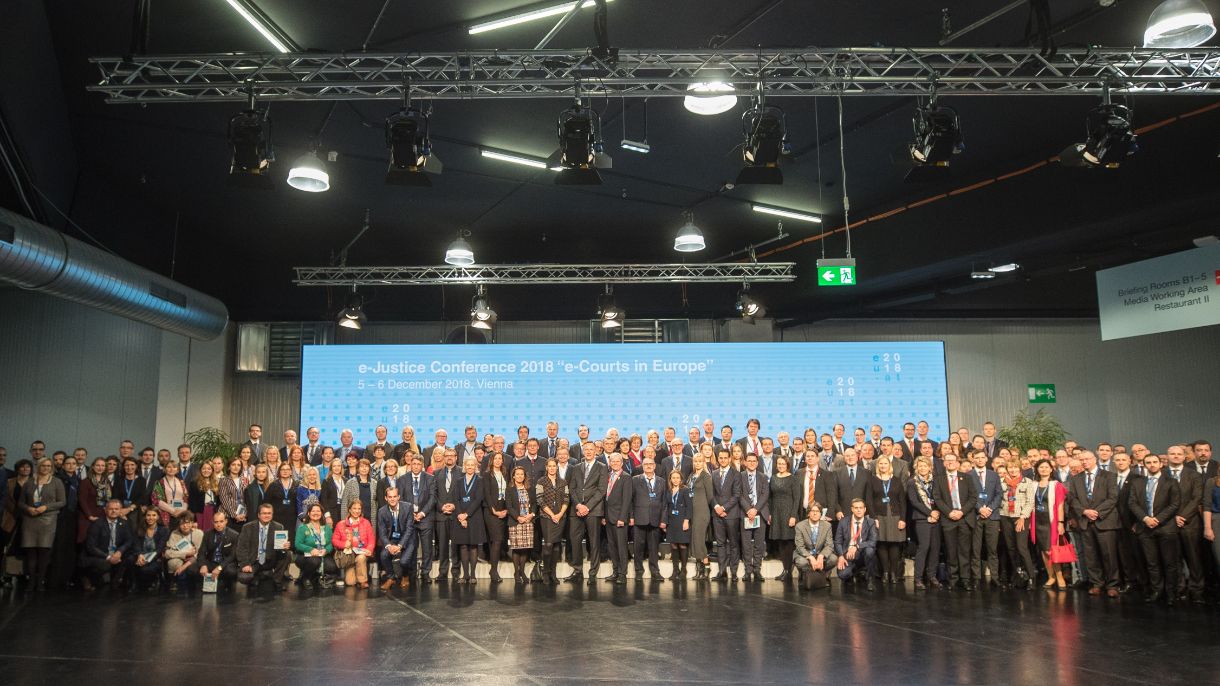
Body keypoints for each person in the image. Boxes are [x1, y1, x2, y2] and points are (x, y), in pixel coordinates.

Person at [1067, 449, 1121, 598]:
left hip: (1105, 521)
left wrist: (1096, 512)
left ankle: (1112, 585)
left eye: (1087, 459)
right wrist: (1084, 512)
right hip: (1085, 521)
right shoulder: (1076, 478)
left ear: (1094, 459)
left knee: (1109, 555)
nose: (1084, 462)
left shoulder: (1109, 476)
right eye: (1082, 460)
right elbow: (1072, 499)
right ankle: (1096, 583)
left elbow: (1113, 498)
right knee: (1091, 556)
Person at [1129, 453, 1181, 605]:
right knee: (1152, 563)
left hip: (1166, 527)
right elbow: (1132, 503)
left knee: (1170, 563)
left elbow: (1175, 504)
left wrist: (1157, 519)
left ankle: (1171, 594)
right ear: (1144, 465)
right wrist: (1145, 519)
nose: (1152, 464)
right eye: (1148, 462)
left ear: (1160, 464)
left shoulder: (1171, 482)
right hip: (1145, 528)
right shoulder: (1137, 483)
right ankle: (1157, 591)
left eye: (1154, 462)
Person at [1164, 445, 1205, 604]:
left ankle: (1197, 590)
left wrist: (1182, 516)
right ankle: (1179, 588)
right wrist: (1173, 517)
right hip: (1169, 523)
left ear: (1184, 457)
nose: (1175, 456)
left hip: (1190, 523)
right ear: (1167, 456)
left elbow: (1197, 498)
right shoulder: (1161, 474)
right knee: (1174, 559)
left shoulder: (1193, 475)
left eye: (1178, 454)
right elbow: (1160, 500)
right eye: (1172, 454)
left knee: (1194, 559)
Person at [933, 453, 978, 591]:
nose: (950, 463)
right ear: (944, 463)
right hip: (948, 519)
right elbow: (937, 498)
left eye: (953, 460)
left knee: (965, 551)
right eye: (948, 461)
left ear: (958, 463)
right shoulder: (938, 479)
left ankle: (965, 579)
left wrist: (961, 512)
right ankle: (953, 579)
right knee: (951, 551)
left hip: (964, 518)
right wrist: (949, 512)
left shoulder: (967, 477)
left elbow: (973, 497)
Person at [21, 457, 66, 590]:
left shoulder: (57, 482)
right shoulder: (29, 482)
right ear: (38, 467)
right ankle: (31, 581)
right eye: (43, 466)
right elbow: (20, 502)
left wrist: (46, 507)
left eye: (48, 466)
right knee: (31, 551)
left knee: (43, 551)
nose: (45, 468)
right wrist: (28, 508)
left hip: (48, 520)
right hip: (30, 519)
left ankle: (40, 581)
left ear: (51, 467)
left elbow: (62, 502)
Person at [566, 441, 607, 584]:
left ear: (596, 451)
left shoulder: (602, 467)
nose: (588, 452)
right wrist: (578, 505)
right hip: (576, 510)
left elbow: (601, 490)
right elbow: (572, 488)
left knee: (594, 542)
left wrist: (587, 507)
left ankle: (593, 573)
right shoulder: (576, 467)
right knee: (575, 541)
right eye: (586, 449)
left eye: (591, 449)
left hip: (593, 510)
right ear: (583, 451)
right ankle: (577, 571)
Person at [1030, 458, 1073, 591]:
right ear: (1037, 469)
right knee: (1044, 550)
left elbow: (1060, 506)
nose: (1043, 469)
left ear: (1051, 469)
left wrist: (1060, 523)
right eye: (1041, 467)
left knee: (1051, 550)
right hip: (1037, 521)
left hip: (1051, 522)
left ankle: (1059, 576)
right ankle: (1051, 576)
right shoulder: (1033, 484)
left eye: (1046, 467)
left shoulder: (1056, 485)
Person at [998, 457, 1036, 590]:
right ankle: (1018, 575)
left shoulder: (1027, 482)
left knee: (1022, 547)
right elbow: (999, 500)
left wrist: (1022, 517)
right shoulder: (1002, 482)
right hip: (1005, 517)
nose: (1013, 470)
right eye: (1010, 468)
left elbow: (1030, 502)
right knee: (1011, 548)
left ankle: (1031, 577)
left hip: (1021, 518)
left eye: (1015, 467)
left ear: (1019, 468)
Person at [868, 456, 907, 584]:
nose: (883, 466)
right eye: (881, 464)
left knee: (894, 544)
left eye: (885, 463)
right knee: (882, 543)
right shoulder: (872, 480)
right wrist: (873, 517)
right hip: (879, 516)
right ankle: (885, 572)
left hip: (895, 516)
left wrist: (902, 518)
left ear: (889, 465)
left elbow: (902, 501)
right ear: (877, 466)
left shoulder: (896, 480)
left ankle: (893, 573)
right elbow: (869, 501)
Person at [80, 499, 134, 592]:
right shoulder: (97, 524)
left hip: (115, 554)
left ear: (120, 510)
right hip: (99, 555)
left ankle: (116, 582)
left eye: (116, 509)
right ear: (105, 510)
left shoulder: (124, 523)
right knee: (105, 565)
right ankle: (87, 577)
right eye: (111, 509)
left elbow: (129, 540)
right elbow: (91, 547)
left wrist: (119, 551)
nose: (113, 511)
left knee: (130, 556)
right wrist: (108, 557)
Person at [968, 450, 1002, 588]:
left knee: (992, 549)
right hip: (975, 516)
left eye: (983, 457)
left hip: (992, 516)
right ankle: (976, 577)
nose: (980, 460)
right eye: (977, 458)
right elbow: (968, 495)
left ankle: (995, 577)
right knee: (975, 549)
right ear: (973, 459)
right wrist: (979, 508)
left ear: (987, 459)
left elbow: (999, 494)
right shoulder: (968, 475)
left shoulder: (994, 475)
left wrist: (989, 509)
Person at [236, 503, 289, 592]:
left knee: (288, 554)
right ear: (259, 515)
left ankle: (277, 581)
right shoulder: (248, 527)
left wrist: (284, 548)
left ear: (272, 515)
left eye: (269, 513)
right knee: (244, 577)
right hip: (254, 561)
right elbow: (241, 548)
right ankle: (256, 576)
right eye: (264, 513)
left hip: (270, 559)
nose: (267, 515)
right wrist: (245, 563)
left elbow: (280, 550)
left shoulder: (279, 527)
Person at [399, 455, 435, 582]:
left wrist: (422, 513)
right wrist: (411, 514)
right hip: (409, 518)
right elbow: (401, 499)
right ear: (410, 464)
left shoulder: (430, 478)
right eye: (413, 463)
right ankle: (412, 573)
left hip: (425, 518)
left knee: (427, 548)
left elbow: (432, 498)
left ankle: (426, 573)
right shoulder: (402, 479)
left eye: (418, 464)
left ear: (422, 465)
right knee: (411, 547)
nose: (415, 466)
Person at [907, 456, 941, 589]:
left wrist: (936, 512)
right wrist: (929, 513)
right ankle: (918, 578)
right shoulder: (912, 482)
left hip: (936, 517)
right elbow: (914, 502)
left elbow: (939, 498)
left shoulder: (936, 481)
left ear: (930, 468)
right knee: (924, 547)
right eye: (920, 466)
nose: (922, 468)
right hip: (922, 518)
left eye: (925, 466)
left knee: (935, 548)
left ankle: (931, 576)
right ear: (916, 467)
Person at [710, 448, 744, 582]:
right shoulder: (713, 474)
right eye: (721, 458)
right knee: (720, 544)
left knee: (734, 544)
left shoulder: (736, 474)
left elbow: (736, 495)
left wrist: (724, 508)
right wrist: (717, 507)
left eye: (725, 458)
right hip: (717, 514)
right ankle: (722, 571)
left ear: (729, 459)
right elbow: (711, 494)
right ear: (718, 459)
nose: (723, 460)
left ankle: (734, 572)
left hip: (731, 514)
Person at [630, 456, 665, 581]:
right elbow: (630, 500)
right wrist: (631, 517)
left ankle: (655, 571)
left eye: (651, 464)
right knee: (638, 547)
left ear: (655, 466)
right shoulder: (635, 480)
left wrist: (663, 520)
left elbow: (664, 502)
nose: (649, 466)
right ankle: (639, 571)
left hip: (655, 519)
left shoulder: (662, 481)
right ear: (642, 466)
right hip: (639, 518)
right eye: (646, 464)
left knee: (654, 548)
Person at [452, 456, 487, 583]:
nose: (470, 467)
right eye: (468, 465)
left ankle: (472, 575)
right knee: (463, 546)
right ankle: (465, 574)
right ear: (464, 467)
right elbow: (456, 499)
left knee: (473, 546)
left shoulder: (480, 480)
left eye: (473, 465)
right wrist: (461, 516)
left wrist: (466, 515)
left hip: (474, 517)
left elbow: (478, 499)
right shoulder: (459, 481)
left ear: (476, 467)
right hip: (460, 517)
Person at [738, 453, 770, 583]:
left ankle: (757, 569)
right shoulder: (739, 476)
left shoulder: (763, 477)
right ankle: (747, 570)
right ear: (745, 462)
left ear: (757, 463)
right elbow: (738, 494)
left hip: (760, 513)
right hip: (745, 514)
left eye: (754, 461)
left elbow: (765, 494)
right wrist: (748, 509)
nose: (751, 463)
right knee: (746, 544)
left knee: (759, 544)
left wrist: (755, 509)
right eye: (749, 461)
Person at [834, 498, 877, 591]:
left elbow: (873, 542)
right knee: (842, 575)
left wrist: (857, 546)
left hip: (862, 552)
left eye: (861, 508)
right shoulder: (843, 522)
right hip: (848, 554)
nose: (858, 510)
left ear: (865, 509)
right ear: (852, 509)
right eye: (856, 508)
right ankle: (855, 572)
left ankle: (870, 579)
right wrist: (841, 556)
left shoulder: (870, 522)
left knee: (870, 550)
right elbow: (837, 541)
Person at [376, 487, 415, 590]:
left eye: (394, 496)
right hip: (392, 539)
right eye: (390, 497)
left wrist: (399, 546)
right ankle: (391, 577)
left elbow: (409, 529)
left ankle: (405, 576)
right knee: (383, 555)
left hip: (407, 539)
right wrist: (389, 546)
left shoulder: (408, 507)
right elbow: (382, 533)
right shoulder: (381, 511)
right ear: (386, 498)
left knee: (404, 561)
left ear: (399, 497)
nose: (392, 499)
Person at [794, 502, 837, 591]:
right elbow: (799, 546)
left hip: (820, 553)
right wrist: (810, 557)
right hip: (805, 554)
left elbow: (829, 545)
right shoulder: (800, 526)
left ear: (821, 513)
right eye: (812, 511)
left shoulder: (827, 525)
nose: (815, 513)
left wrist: (821, 556)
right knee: (801, 562)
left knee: (833, 559)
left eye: (817, 511)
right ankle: (805, 575)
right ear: (808, 513)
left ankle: (822, 575)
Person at [768, 454, 798, 582]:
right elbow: (770, 497)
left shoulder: (793, 479)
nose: (780, 466)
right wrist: (769, 513)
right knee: (780, 541)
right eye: (779, 464)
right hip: (776, 513)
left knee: (788, 543)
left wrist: (793, 516)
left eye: (783, 464)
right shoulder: (773, 478)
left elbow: (797, 499)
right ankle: (784, 570)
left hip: (788, 513)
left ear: (787, 465)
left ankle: (788, 571)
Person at [603, 453, 631, 585]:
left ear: (621, 463)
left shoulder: (626, 477)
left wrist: (622, 517)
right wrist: (604, 516)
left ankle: (622, 574)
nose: (614, 463)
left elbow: (627, 500)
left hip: (619, 518)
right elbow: (605, 498)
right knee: (612, 546)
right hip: (608, 517)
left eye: (617, 461)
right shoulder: (608, 476)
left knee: (621, 547)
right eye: (612, 461)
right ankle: (615, 571)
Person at [482, 451, 510, 583]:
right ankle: (493, 570)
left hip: (504, 510)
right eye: (496, 458)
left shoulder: (505, 474)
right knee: (497, 540)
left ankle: (493, 568)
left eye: (500, 458)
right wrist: (494, 511)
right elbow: (486, 493)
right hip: (491, 511)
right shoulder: (487, 474)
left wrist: (506, 509)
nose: (498, 461)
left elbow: (509, 492)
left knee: (499, 540)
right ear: (492, 460)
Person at [687, 447, 715, 580]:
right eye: (695, 461)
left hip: (702, 512)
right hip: (692, 512)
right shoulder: (691, 476)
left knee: (699, 540)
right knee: (694, 541)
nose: (697, 463)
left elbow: (710, 496)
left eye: (700, 461)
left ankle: (706, 568)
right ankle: (699, 570)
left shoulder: (706, 476)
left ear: (703, 462)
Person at [295, 502, 337, 589]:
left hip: (322, 554)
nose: (316, 513)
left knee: (332, 567)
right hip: (305, 556)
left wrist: (326, 550)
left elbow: (330, 544)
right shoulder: (303, 527)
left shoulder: (327, 527)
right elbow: (297, 544)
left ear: (321, 513)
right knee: (314, 562)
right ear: (309, 513)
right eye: (313, 511)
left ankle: (315, 578)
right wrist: (310, 549)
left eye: (318, 511)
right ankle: (305, 578)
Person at [506, 466, 537, 584]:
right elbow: (509, 506)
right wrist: (518, 517)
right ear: (513, 476)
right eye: (517, 474)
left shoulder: (529, 488)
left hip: (528, 521)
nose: (520, 476)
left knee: (525, 549)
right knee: (517, 548)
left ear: (524, 476)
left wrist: (531, 515)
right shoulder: (510, 489)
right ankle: (516, 572)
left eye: (522, 474)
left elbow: (534, 504)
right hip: (516, 522)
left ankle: (522, 572)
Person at [333, 500, 374, 588]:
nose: (357, 511)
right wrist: (344, 544)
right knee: (350, 582)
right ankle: (356, 572)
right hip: (349, 556)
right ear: (349, 510)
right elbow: (334, 541)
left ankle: (363, 581)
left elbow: (371, 539)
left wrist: (369, 549)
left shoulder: (366, 523)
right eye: (354, 508)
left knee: (361, 558)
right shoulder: (341, 524)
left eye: (359, 509)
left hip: (362, 553)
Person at [661, 468, 691, 580]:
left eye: (677, 477)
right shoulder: (668, 491)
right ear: (670, 479)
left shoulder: (685, 490)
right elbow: (665, 507)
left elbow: (689, 507)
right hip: (671, 521)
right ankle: (675, 570)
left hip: (682, 520)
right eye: (673, 478)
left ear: (681, 479)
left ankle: (683, 569)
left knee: (682, 544)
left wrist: (687, 520)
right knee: (673, 545)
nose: (675, 480)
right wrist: (664, 522)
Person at [199, 510, 240, 592]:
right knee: (192, 569)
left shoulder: (234, 535)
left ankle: (227, 584)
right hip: (211, 561)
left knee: (231, 571)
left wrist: (220, 567)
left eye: (221, 521)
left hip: (225, 563)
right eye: (216, 522)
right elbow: (201, 552)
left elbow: (232, 556)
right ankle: (199, 585)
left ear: (226, 521)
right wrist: (203, 565)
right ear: (212, 523)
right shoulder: (207, 534)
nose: (218, 524)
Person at [130, 507, 169, 592]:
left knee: (146, 570)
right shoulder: (138, 528)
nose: (151, 518)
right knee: (129, 560)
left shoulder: (164, 530)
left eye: (154, 515)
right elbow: (136, 545)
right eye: (148, 515)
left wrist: (148, 559)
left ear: (158, 517)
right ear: (145, 516)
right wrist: (140, 555)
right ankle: (133, 584)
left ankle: (153, 581)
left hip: (155, 557)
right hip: (141, 555)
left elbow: (160, 548)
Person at [164, 514, 203, 594]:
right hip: (181, 559)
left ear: (192, 523)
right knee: (173, 563)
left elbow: (199, 553)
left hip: (194, 560)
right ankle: (174, 581)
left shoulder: (198, 533)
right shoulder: (174, 534)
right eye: (182, 523)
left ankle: (193, 583)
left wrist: (184, 566)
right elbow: (167, 553)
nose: (185, 526)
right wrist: (185, 554)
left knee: (193, 567)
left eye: (187, 523)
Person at [150, 460, 190, 528]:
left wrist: (182, 510)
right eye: (169, 467)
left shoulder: (181, 482)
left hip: (180, 515)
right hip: (165, 514)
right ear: (165, 469)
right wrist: (173, 511)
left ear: (177, 469)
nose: (171, 469)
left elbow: (185, 498)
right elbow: (156, 499)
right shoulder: (160, 483)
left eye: (174, 467)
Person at [341, 458, 375, 532]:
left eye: (366, 466)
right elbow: (344, 503)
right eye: (362, 466)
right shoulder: (350, 482)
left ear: (369, 469)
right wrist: (344, 521)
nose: (364, 468)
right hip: (353, 518)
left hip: (370, 519)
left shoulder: (374, 483)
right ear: (358, 469)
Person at [218, 457, 250, 527]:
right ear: (229, 467)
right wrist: (235, 515)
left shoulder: (245, 480)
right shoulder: (223, 480)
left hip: (242, 515)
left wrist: (245, 514)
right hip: (228, 516)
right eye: (233, 465)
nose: (236, 467)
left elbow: (248, 499)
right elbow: (224, 500)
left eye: (238, 465)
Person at [188, 461, 218, 532]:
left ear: (212, 470)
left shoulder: (215, 482)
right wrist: (194, 520)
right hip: (200, 512)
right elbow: (192, 503)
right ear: (200, 470)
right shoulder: (194, 483)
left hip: (212, 511)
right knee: (200, 533)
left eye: (209, 469)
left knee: (211, 533)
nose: (206, 471)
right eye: (204, 468)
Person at [320, 456, 346, 526]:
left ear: (341, 467)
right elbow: (323, 499)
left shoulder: (345, 480)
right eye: (334, 466)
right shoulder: (326, 481)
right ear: (331, 468)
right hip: (332, 511)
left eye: (338, 466)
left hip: (344, 510)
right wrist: (327, 516)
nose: (337, 468)